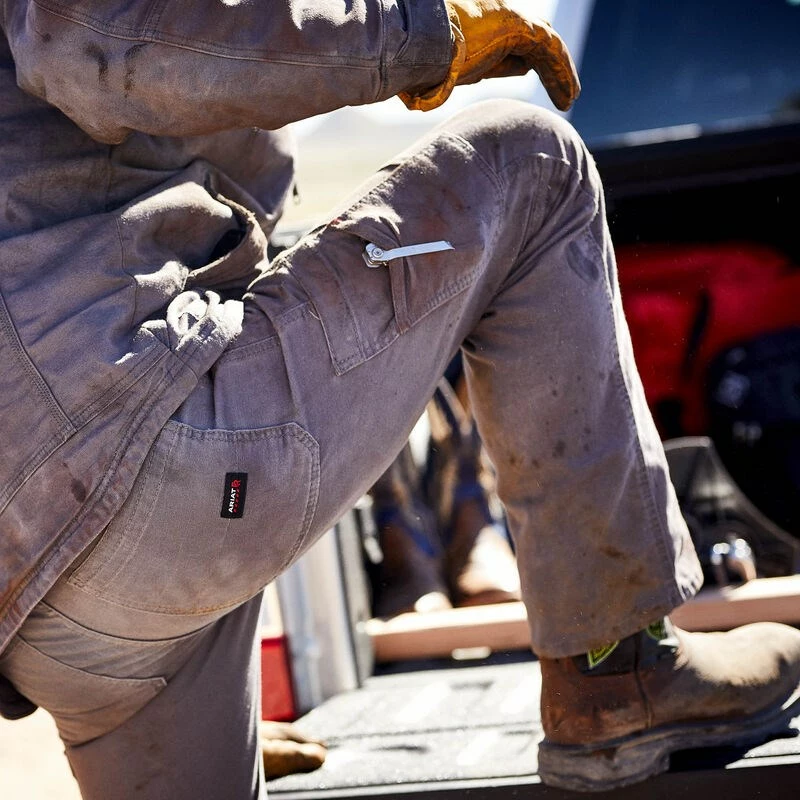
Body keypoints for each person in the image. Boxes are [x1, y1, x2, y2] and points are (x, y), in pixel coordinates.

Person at [0, 1, 798, 797]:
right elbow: (101, 39)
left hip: (49, 599)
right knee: (530, 164)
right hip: (132, 455)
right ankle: (618, 669)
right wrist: (420, 34)